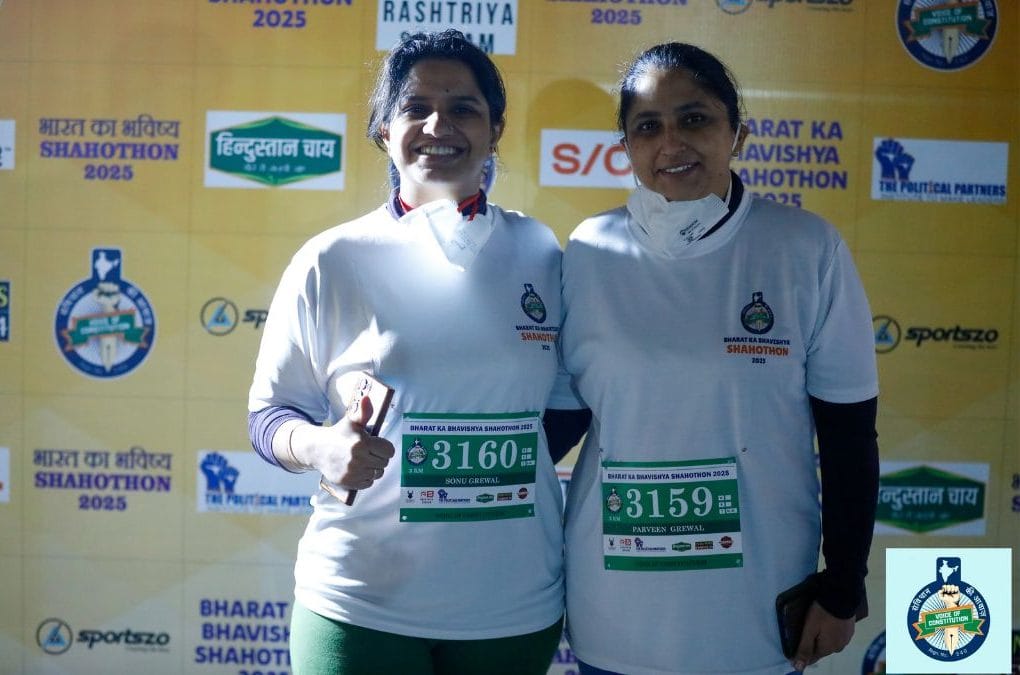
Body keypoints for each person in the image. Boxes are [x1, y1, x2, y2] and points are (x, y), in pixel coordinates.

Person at [247, 30, 586, 674]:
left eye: (463, 107)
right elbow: (269, 417)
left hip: (510, 605)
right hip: (360, 603)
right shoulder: (333, 258)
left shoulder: (540, 252)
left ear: (495, 130)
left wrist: (489, 468)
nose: (439, 123)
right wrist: (321, 448)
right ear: (382, 128)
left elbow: (570, 401)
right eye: (415, 106)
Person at [559, 42, 879, 675]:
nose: (671, 142)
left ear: (738, 132)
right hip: (614, 610)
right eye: (647, 126)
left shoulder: (804, 247)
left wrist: (843, 587)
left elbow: (847, 437)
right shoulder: (587, 250)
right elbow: (558, 419)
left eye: (695, 118)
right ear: (625, 147)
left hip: (755, 613)